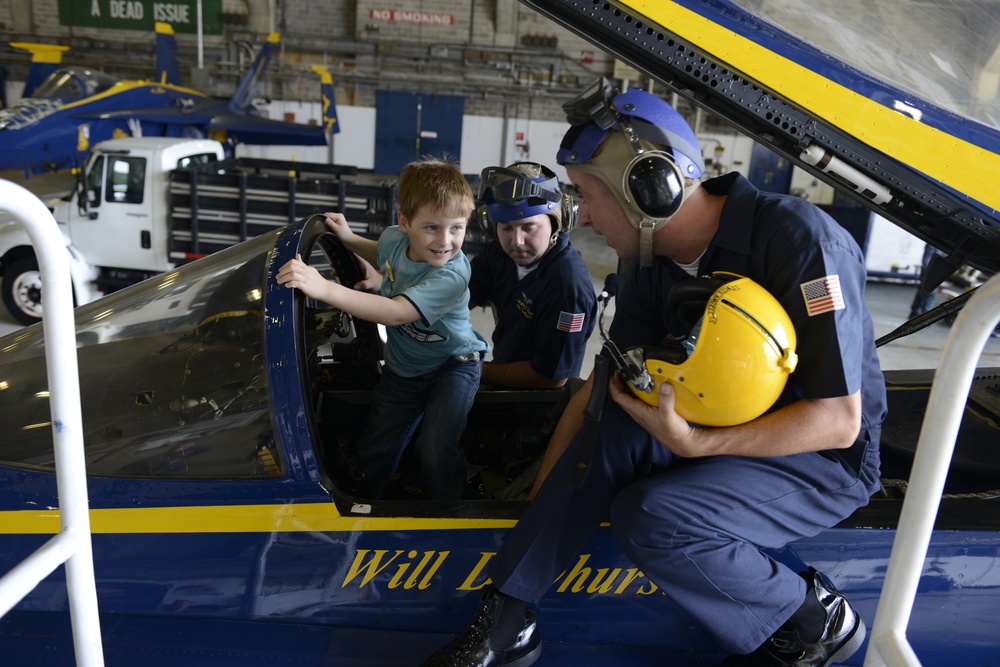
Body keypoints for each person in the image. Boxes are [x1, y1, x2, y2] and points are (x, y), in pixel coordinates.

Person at [420, 78, 887, 667]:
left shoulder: (799, 241)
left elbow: (838, 421)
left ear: (648, 188)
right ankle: (508, 620)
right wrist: (543, 504)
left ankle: (811, 619)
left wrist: (697, 444)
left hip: (819, 459)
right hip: (713, 429)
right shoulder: (646, 264)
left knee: (655, 518)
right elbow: (602, 388)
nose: (582, 215)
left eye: (587, 194)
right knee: (614, 406)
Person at [277, 158, 489, 501]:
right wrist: (348, 238)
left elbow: (393, 314)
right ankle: (366, 511)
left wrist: (323, 289)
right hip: (404, 367)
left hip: (453, 365)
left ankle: (450, 511)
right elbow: (384, 253)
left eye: (457, 228)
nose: (445, 241)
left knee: (435, 449)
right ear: (404, 222)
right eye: (431, 228)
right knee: (375, 450)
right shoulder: (393, 238)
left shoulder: (451, 275)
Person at [469, 161, 597, 389]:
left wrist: (473, 369)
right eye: (506, 228)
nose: (516, 241)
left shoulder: (567, 285)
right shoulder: (498, 254)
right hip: (500, 381)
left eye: (529, 227)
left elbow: (550, 378)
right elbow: (457, 298)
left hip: (535, 407)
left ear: (559, 221)